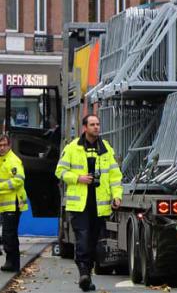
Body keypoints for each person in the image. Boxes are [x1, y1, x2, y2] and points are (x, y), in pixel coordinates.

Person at [54, 114, 123, 292]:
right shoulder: (72, 148)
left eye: (98, 124)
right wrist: (78, 178)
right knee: (83, 239)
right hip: (80, 205)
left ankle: (88, 275)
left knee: (92, 242)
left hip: (99, 205)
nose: (96, 127)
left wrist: (117, 196)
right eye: (92, 124)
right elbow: (60, 171)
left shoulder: (106, 148)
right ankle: (83, 273)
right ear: (84, 128)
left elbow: (115, 175)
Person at [0, 134, 28, 272]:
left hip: (13, 202)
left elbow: (18, 180)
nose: (1, 148)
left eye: (4, 145)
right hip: (5, 202)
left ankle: (12, 262)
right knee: (9, 234)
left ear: (9, 145)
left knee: (9, 234)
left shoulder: (13, 160)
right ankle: (11, 262)